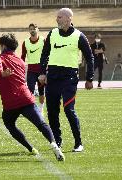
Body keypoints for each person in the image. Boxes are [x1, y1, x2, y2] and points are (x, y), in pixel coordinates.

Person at [0, 33, 65, 161]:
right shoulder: (21, 62)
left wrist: (0, 73)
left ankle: (31, 149)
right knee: (41, 124)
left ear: (3, 46)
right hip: (25, 98)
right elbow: (15, 81)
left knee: (9, 124)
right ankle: (54, 144)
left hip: (11, 103)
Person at [39, 8, 94, 152]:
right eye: (57, 17)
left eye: (60, 17)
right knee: (52, 111)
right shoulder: (52, 33)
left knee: (69, 110)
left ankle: (78, 143)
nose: (57, 20)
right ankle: (57, 141)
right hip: (52, 77)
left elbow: (90, 57)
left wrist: (89, 78)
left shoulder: (79, 36)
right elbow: (44, 54)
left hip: (69, 78)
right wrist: (42, 73)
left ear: (69, 18)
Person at [21, 23, 45, 115]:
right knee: (30, 90)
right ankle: (32, 110)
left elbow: (48, 53)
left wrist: (47, 66)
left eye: (34, 28)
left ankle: (41, 109)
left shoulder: (43, 40)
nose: (32, 30)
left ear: (37, 29)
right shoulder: (25, 42)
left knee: (41, 90)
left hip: (41, 70)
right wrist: (21, 69)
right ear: (29, 30)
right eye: (30, 29)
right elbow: (22, 57)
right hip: (31, 70)